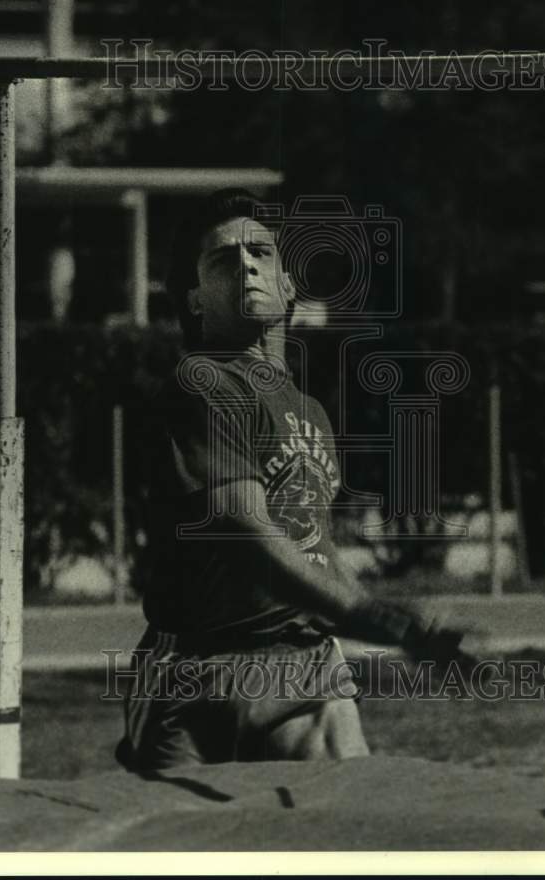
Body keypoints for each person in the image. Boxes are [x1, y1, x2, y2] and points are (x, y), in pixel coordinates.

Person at [116, 189, 467, 771]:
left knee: (341, 832)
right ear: (196, 300)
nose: (246, 265)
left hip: (307, 661)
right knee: (180, 849)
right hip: (204, 672)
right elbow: (247, 534)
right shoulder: (204, 382)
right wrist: (372, 615)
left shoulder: (309, 410)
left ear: (288, 289)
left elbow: (311, 543)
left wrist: (379, 615)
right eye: (222, 260)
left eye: (260, 253)